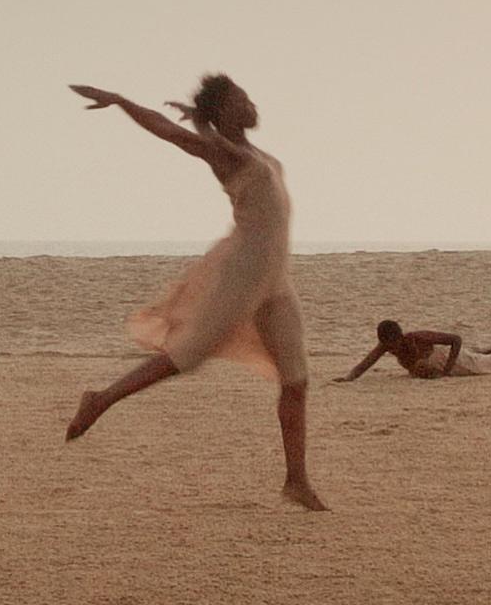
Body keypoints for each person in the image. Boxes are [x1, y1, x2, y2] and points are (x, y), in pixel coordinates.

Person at [61, 75, 325, 511]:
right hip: (242, 274)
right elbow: (170, 134)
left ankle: (296, 481)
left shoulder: (253, 152)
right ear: (223, 112)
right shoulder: (223, 153)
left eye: (248, 95)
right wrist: (122, 100)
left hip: (276, 280)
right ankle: (100, 400)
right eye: (241, 99)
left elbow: (199, 134)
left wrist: (205, 123)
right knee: (185, 356)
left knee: (296, 381)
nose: (251, 103)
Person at [341, 320, 491, 379]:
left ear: (399, 337)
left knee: (486, 364)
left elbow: (456, 339)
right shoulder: (386, 346)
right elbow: (366, 363)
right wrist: (349, 377)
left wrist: (447, 370)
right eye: (387, 347)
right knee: (477, 356)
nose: (391, 350)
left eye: (394, 345)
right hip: (437, 368)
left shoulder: (417, 337)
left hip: (448, 359)